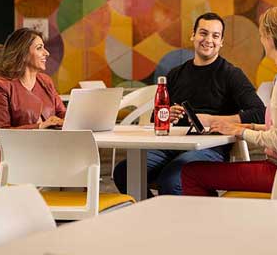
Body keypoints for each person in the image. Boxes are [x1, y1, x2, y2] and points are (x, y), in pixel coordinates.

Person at [112, 12, 265, 197]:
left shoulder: (231, 74)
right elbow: (155, 118)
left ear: (221, 42)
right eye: (203, 33)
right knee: (124, 172)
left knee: (172, 179)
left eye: (215, 36)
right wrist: (167, 114)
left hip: (210, 148)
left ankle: (183, 220)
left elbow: (259, 113)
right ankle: (153, 215)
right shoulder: (176, 74)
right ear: (193, 35)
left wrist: (212, 119)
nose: (208, 40)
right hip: (172, 145)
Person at [181, 6, 277, 196]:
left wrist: (241, 131)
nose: (261, 39)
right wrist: (249, 127)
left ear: (270, 36)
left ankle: (208, 224)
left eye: (262, 34)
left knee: (191, 173)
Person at [0, 28, 66, 181]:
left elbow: (62, 114)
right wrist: (39, 127)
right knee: (67, 172)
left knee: (78, 167)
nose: (47, 53)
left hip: (42, 154)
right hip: (5, 158)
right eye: (39, 48)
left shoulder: (45, 82)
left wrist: (75, 119)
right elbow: (1, 131)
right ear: (23, 53)